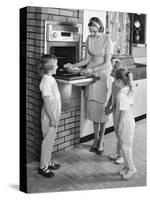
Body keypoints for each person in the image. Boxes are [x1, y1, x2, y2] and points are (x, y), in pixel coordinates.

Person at [64, 17, 113, 154]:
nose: (92, 34)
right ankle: (95, 139)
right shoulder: (89, 38)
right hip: (90, 74)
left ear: (100, 28)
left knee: (102, 109)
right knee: (93, 108)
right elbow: (86, 59)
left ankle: (101, 140)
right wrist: (72, 65)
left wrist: (92, 70)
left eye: (94, 31)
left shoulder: (107, 40)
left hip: (102, 75)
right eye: (90, 31)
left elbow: (107, 63)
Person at [37, 54, 61, 178]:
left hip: (53, 114)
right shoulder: (46, 81)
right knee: (47, 141)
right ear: (50, 67)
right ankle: (43, 167)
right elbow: (46, 102)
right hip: (49, 116)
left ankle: (47, 161)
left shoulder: (50, 78)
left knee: (50, 140)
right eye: (56, 64)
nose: (57, 66)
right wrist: (52, 118)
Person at [105, 60, 133, 164]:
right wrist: (108, 105)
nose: (112, 71)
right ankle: (118, 153)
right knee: (118, 133)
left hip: (120, 113)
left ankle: (122, 156)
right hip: (115, 112)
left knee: (120, 134)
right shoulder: (114, 84)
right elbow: (112, 97)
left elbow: (117, 103)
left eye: (114, 69)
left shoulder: (121, 88)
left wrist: (109, 109)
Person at [114, 68, 137, 179]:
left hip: (126, 123)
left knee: (126, 147)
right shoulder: (128, 89)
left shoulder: (122, 94)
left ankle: (132, 168)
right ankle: (126, 167)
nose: (114, 82)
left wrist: (119, 126)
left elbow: (123, 111)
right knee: (123, 146)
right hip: (129, 122)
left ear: (119, 81)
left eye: (114, 80)